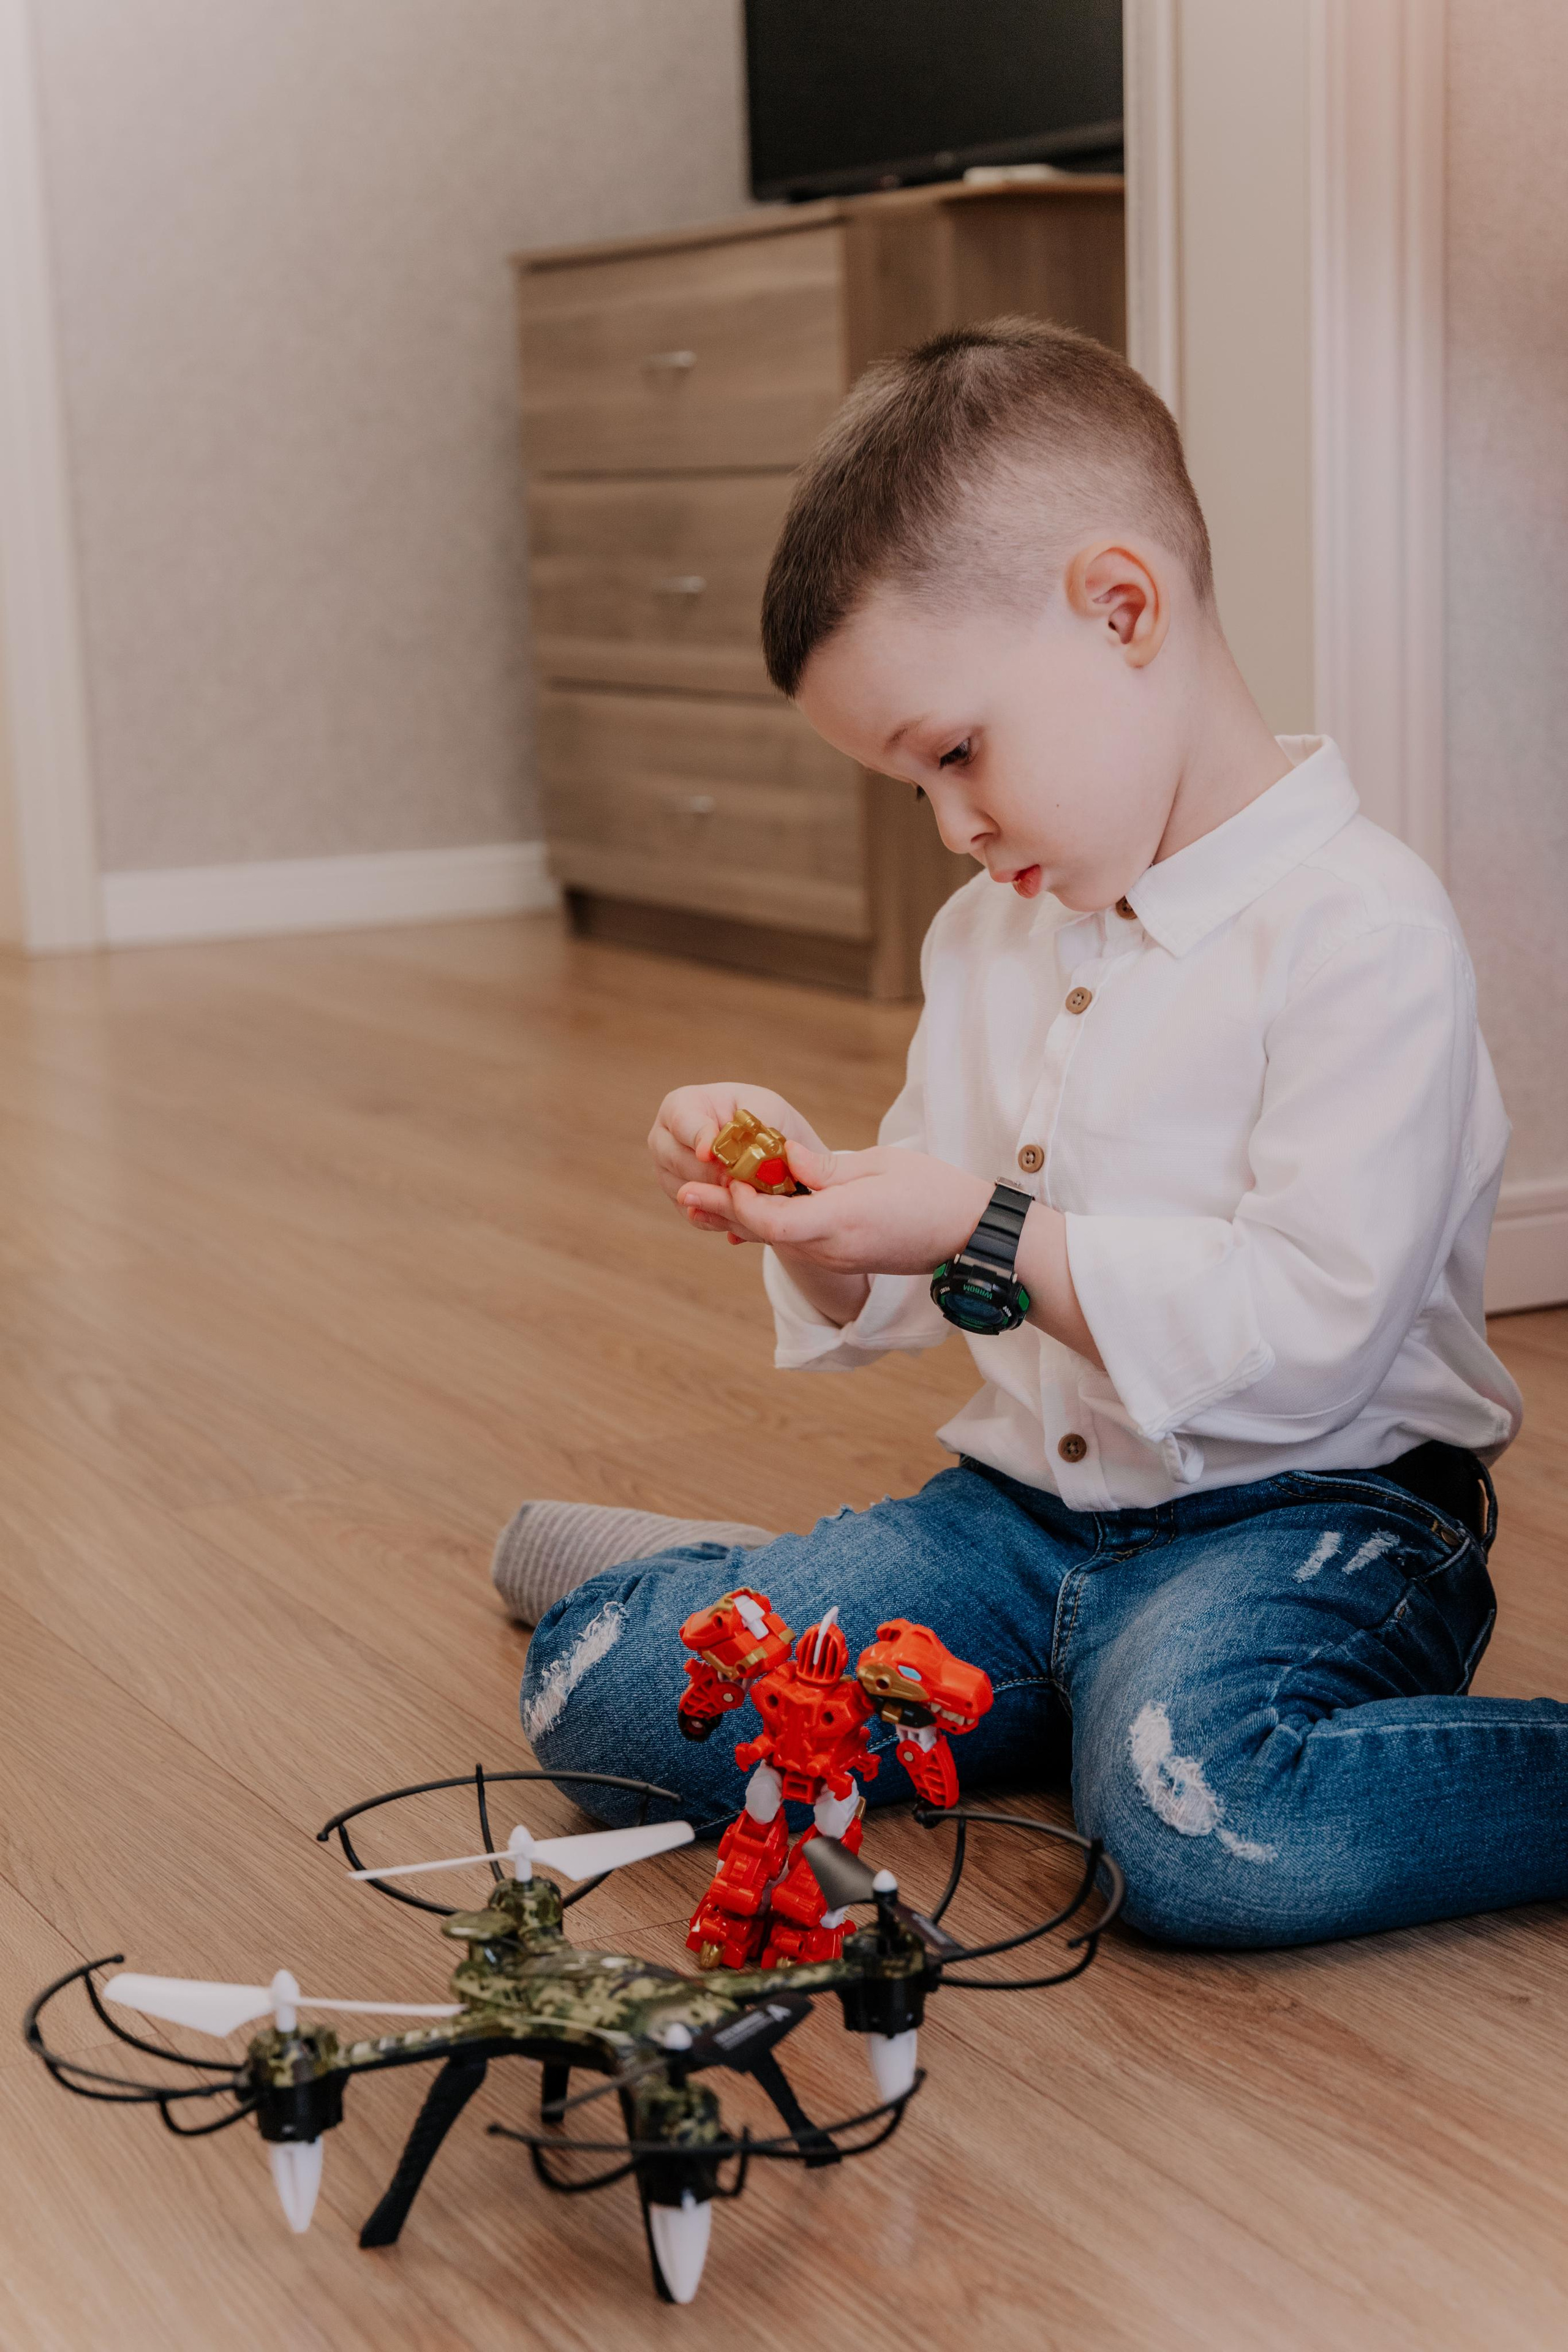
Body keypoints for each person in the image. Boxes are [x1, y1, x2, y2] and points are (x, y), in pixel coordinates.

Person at [495, 319, 1553, 1950]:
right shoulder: (992, 933)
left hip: (1311, 1527)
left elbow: (1313, 1341)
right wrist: (819, 1210)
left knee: (1208, 1829)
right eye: (911, 785)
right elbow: (933, 1269)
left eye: (960, 754)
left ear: (1120, 609)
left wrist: (980, 1223)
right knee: (605, 1701)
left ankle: (1102, 1704)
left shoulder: (1360, 933)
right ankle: (1000, 1669)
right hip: (1015, 1525)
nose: (955, 824)